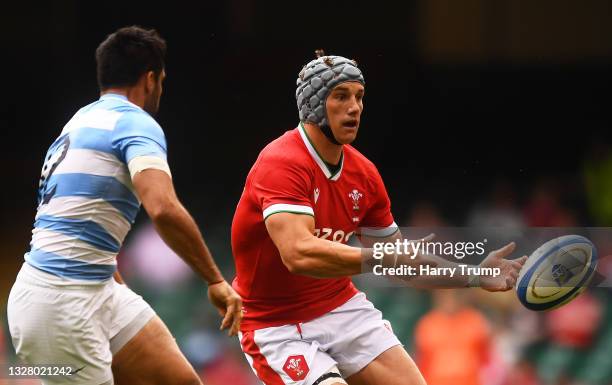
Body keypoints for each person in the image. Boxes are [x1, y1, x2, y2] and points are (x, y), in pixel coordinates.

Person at [230, 51, 527, 385]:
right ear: (312, 105)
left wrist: (475, 275)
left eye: (359, 97)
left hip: (340, 307)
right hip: (275, 323)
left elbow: (400, 265)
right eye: (340, 96)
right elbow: (298, 254)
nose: (354, 107)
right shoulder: (281, 162)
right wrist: (379, 257)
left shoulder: (364, 174)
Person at [6, 26, 242, 385]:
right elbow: (162, 208)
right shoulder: (136, 122)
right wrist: (214, 280)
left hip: (92, 288)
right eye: (161, 80)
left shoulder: (77, 122)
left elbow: (73, 216)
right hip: (62, 303)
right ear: (150, 79)